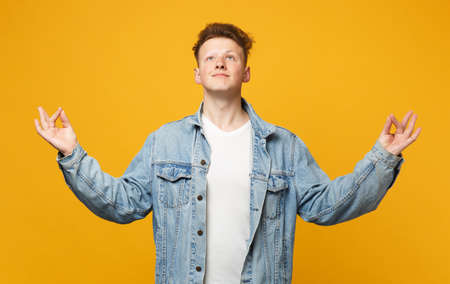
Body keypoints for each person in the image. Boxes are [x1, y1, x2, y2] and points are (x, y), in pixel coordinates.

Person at [34, 22, 421, 284]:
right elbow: (122, 203)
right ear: (198, 74)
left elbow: (326, 206)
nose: (220, 61)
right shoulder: (164, 142)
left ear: (246, 72)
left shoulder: (282, 145)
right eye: (210, 57)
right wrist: (72, 154)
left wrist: (383, 158)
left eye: (231, 56)